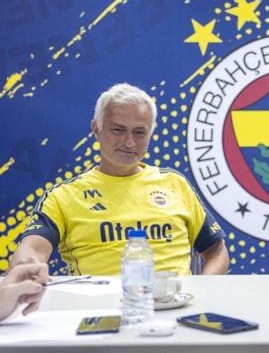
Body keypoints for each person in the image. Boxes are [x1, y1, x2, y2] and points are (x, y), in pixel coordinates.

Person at [10, 83, 229, 276]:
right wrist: (25, 266)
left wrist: (201, 291)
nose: (129, 142)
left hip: (175, 305)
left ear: (151, 133)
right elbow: (32, 249)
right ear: (96, 130)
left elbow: (217, 251)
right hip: (97, 307)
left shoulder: (175, 184)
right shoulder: (63, 196)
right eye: (118, 130)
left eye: (139, 133)